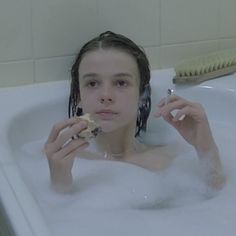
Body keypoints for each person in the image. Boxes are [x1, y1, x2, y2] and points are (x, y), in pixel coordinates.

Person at [44, 31, 226, 193]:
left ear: (142, 95)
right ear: (78, 96)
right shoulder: (58, 161)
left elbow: (217, 200)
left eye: (121, 83)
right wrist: (60, 185)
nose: (106, 96)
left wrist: (206, 148)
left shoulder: (167, 160)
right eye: (92, 83)